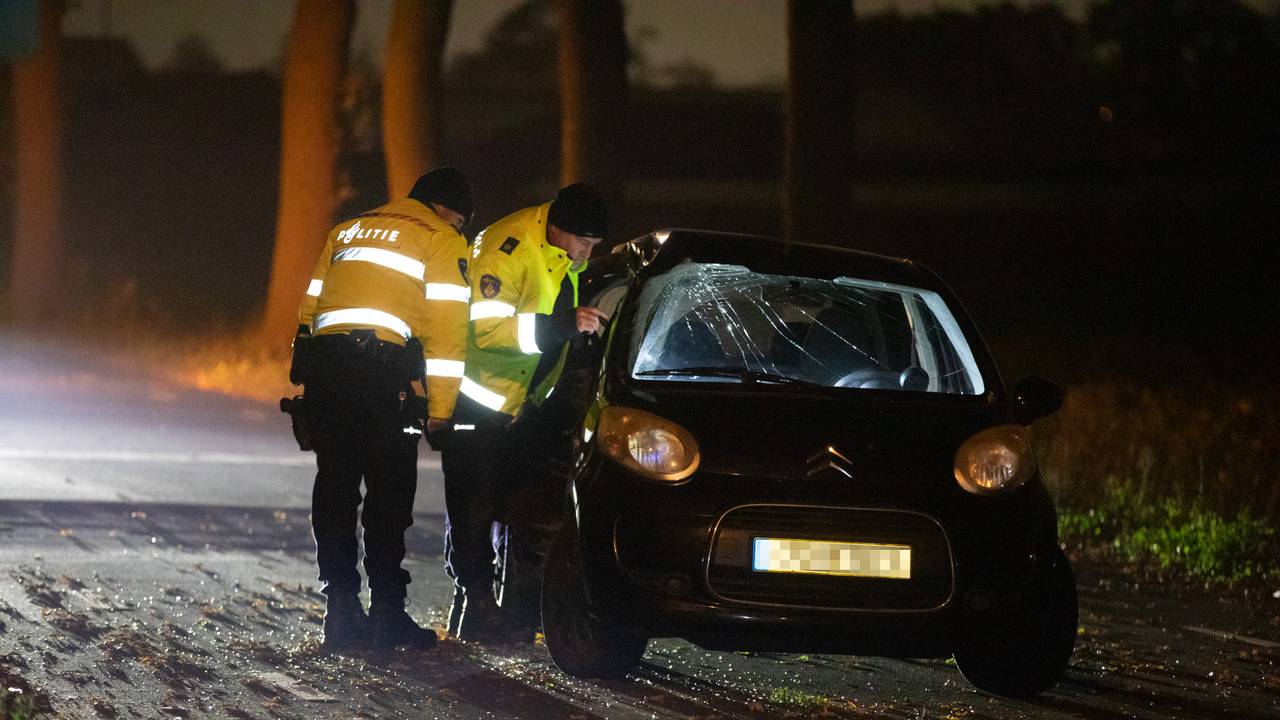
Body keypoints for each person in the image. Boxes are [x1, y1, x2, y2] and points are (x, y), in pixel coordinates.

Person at [294, 167, 473, 651]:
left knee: (334, 489)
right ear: (444, 210)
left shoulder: (347, 229)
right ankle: (387, 615)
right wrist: (441, 408)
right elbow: (447, 334)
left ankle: (341, 612)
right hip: (383, 379)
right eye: (460, 220)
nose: (459, 229)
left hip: (327, 375)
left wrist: (308, 380)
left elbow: (309, 310)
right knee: (389, 495)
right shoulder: (439, 239)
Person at [438, 183, 609, 642]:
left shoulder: (557, 252)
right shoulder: (507, 248)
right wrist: (560, 327)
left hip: (520, 406)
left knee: (510, 505)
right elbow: (489, 331)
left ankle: (497, 612)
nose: (586, 257)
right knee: (474, 508)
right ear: (558, 227)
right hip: (479, 398)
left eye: (593, 248)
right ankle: (474, 605)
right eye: (583, 244)